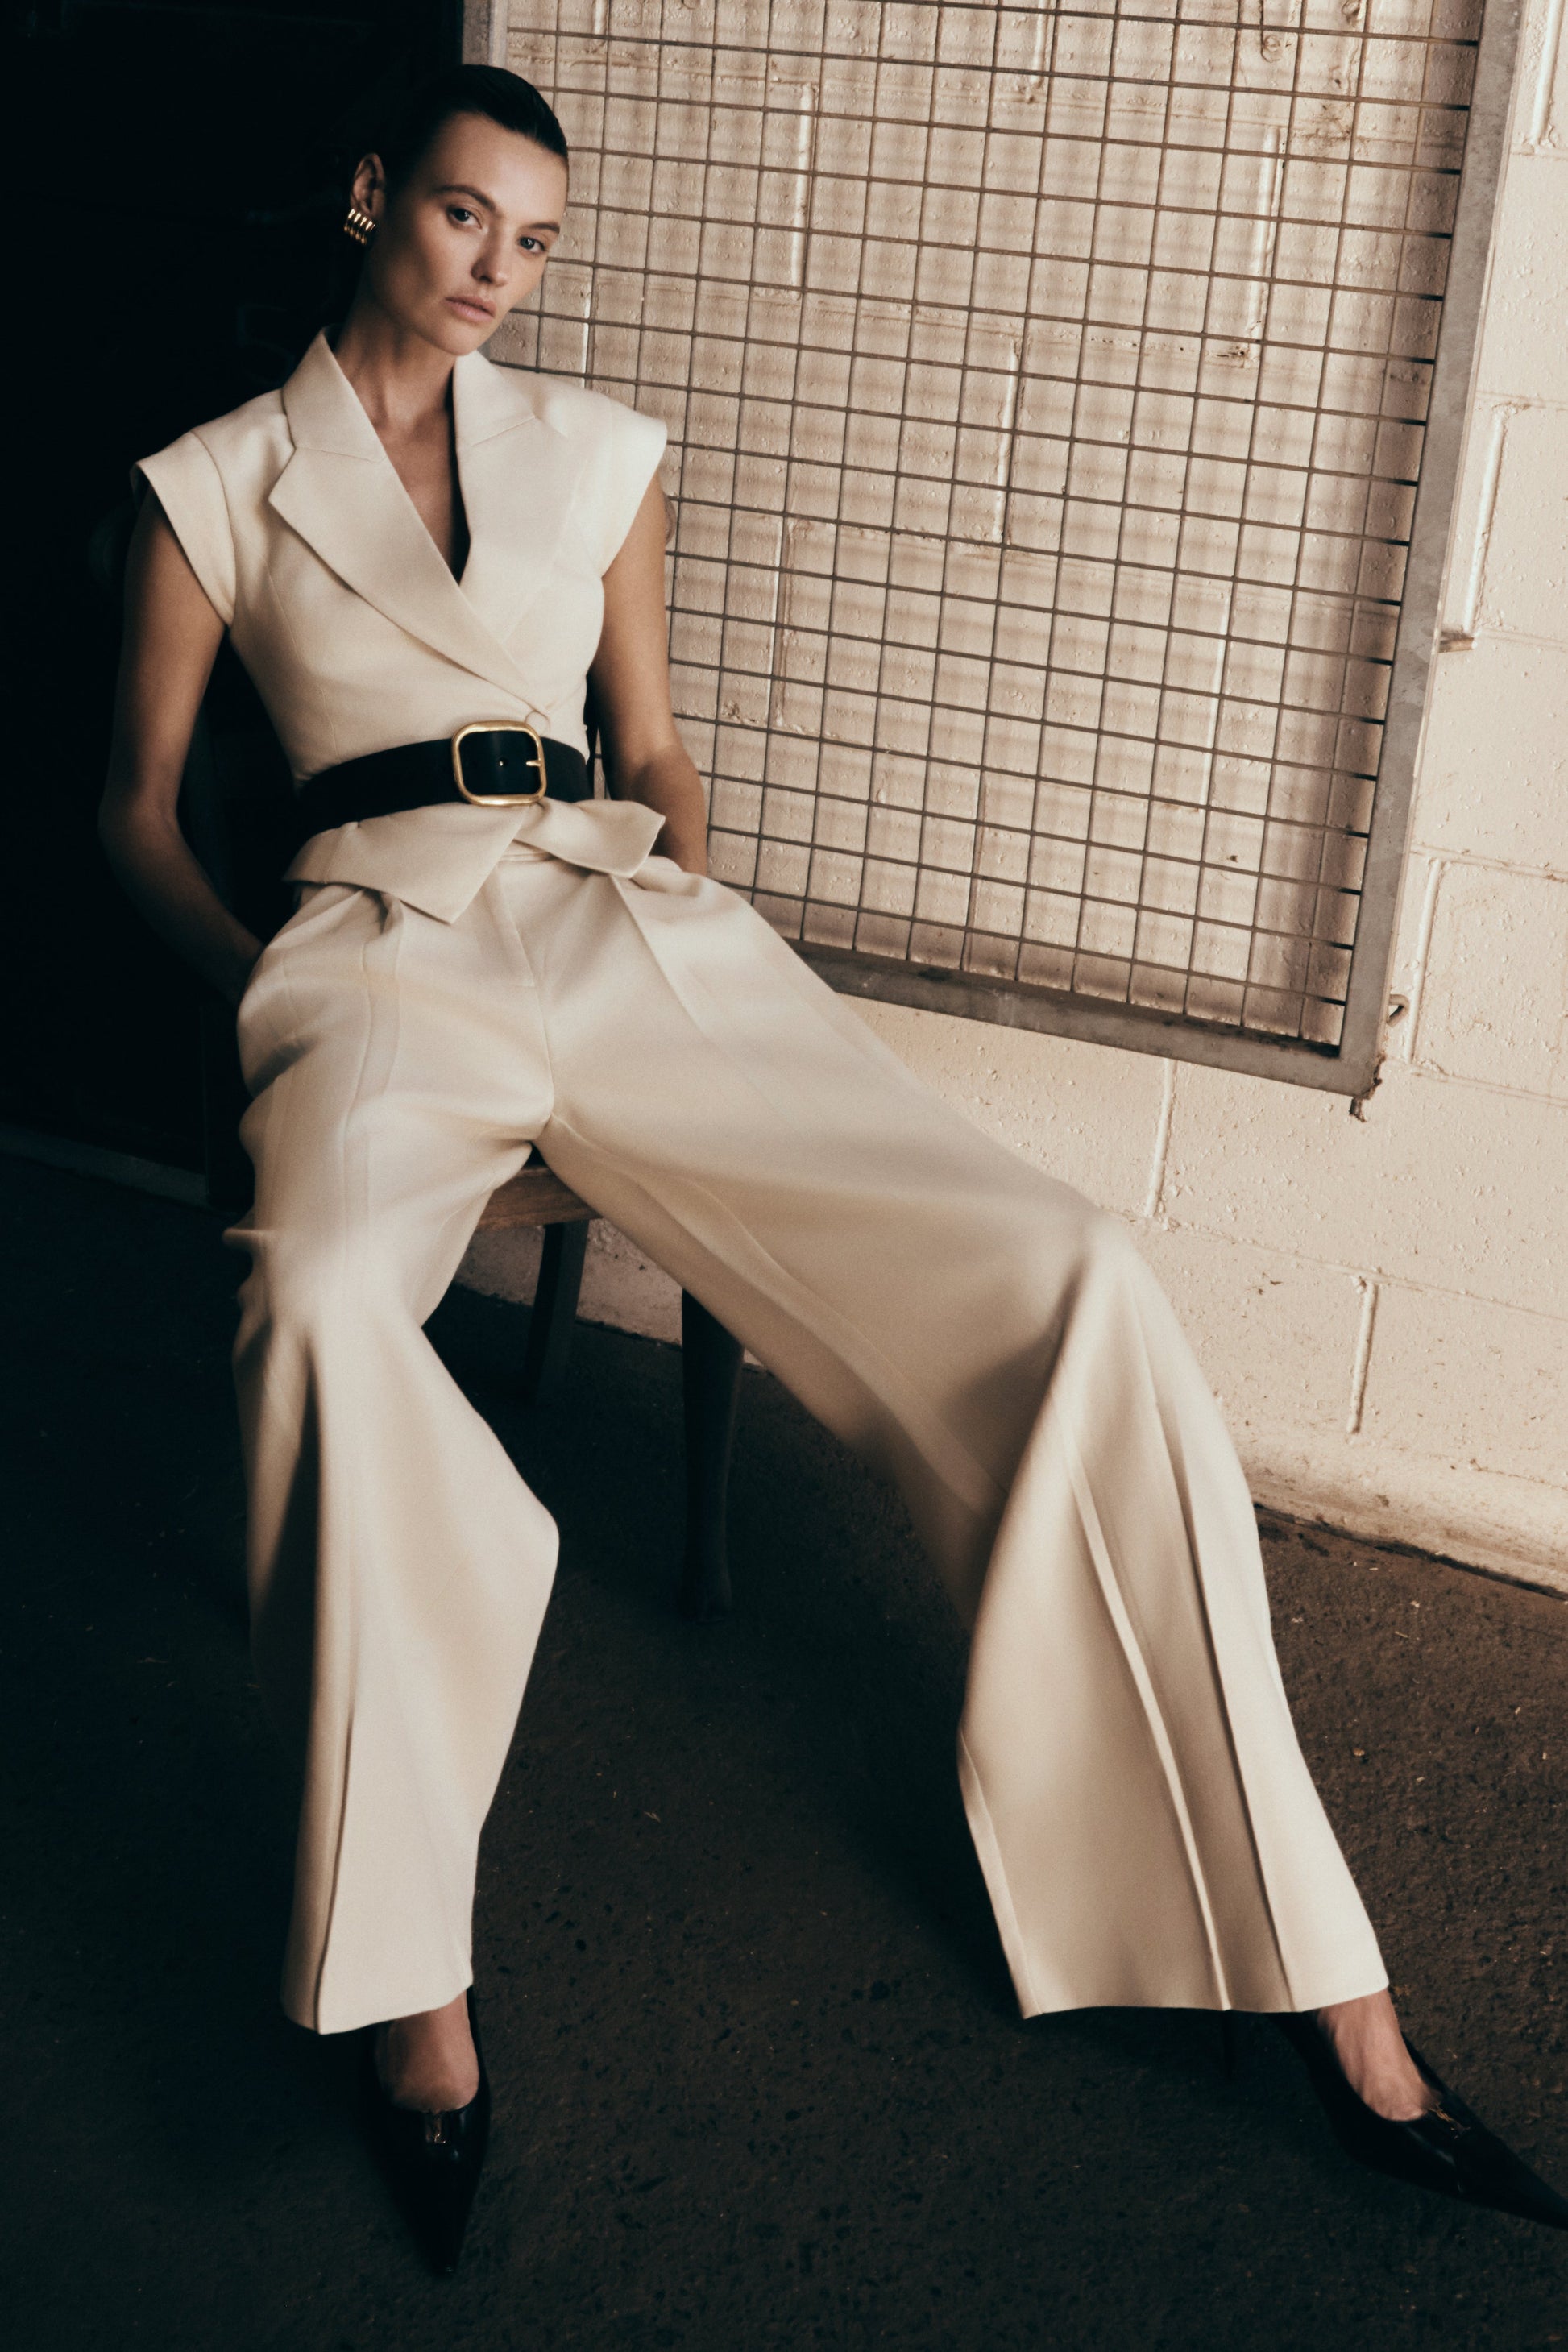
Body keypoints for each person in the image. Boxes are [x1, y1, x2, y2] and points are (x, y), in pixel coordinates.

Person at [99, 62, 1565, 2271]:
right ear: (372, 196)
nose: (501, 271)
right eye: (468, 219)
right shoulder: (212, 482)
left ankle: (1323, 1988)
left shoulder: (597, 458)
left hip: (613, 915)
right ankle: (414, 1989)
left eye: (539, 242)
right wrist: (254, 997)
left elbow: (661, 739)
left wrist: (689, 924)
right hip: (368, 944)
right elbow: (124, 810)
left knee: (1066, 1266)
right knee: (306, 1308)